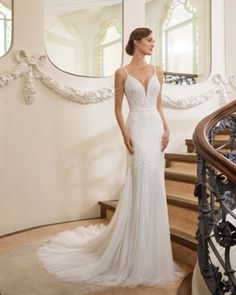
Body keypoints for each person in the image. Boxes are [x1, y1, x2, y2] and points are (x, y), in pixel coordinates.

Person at [37, 27, 184, 287]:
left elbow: (159, 105)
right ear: (136, 42)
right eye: (149, 40)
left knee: (153, 184)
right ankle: (132, 251)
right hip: (137, 127)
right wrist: (124, 133)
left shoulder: (158, 70)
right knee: (139, 184)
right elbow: (117, 109)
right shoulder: (122, 73)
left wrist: (167, 128)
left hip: (155, 127)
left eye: (153, 41)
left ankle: (150, 251)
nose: (152, 44)